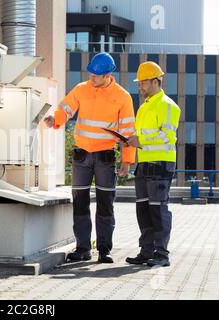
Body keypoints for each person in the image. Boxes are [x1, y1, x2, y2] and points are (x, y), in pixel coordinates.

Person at [44, 52, 136, 263]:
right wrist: (55, 120)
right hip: (82, 155)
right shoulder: (81, 89)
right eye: (91, 73)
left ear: (107, 75)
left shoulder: (122, 97)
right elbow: (65, 109)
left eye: (97, 75)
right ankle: (83, 248)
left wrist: (127, 161)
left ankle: (104, 250)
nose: (92, 77)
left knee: (105, 204)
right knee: (80, 202)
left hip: (105, 156)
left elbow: (128, 131)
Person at [124, 61, 181, 267]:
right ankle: (146, 251)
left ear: (156, 82)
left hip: (161, 164)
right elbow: (144, 136)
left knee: (158, 209)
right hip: (144, 163)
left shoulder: (168, 105)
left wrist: (141, 140)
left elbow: (168, 136)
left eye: (143, 83)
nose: (140, 86)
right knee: (144, 210)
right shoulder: (144, 107)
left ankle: (162, 254)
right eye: (139, 83)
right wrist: (131, 140)